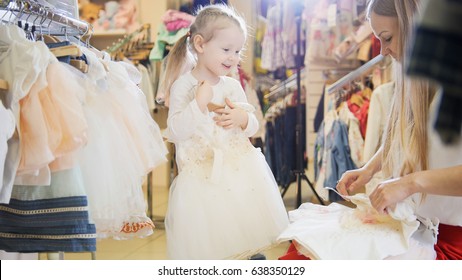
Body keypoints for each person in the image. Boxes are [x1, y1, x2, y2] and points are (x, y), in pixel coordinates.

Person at [279, 0, 462, 260]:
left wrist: (409, 183)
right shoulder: (414, 81)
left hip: (448, 241)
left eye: (387, 38)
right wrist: (368, 170)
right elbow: (404, 136)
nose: (384, 51)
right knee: (309, 246)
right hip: (414, 226)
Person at [161, 4, 289, 260]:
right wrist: (198, 104)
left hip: (239, 174)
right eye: (226, 49)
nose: (233, 57)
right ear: (200, 44)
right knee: (213, 244)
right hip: (202, 181)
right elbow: (175, 131)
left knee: (246, 236)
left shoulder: (232, 86)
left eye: (237, 51)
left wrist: (243, 119)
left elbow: (253, 125)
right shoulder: (183, 86)